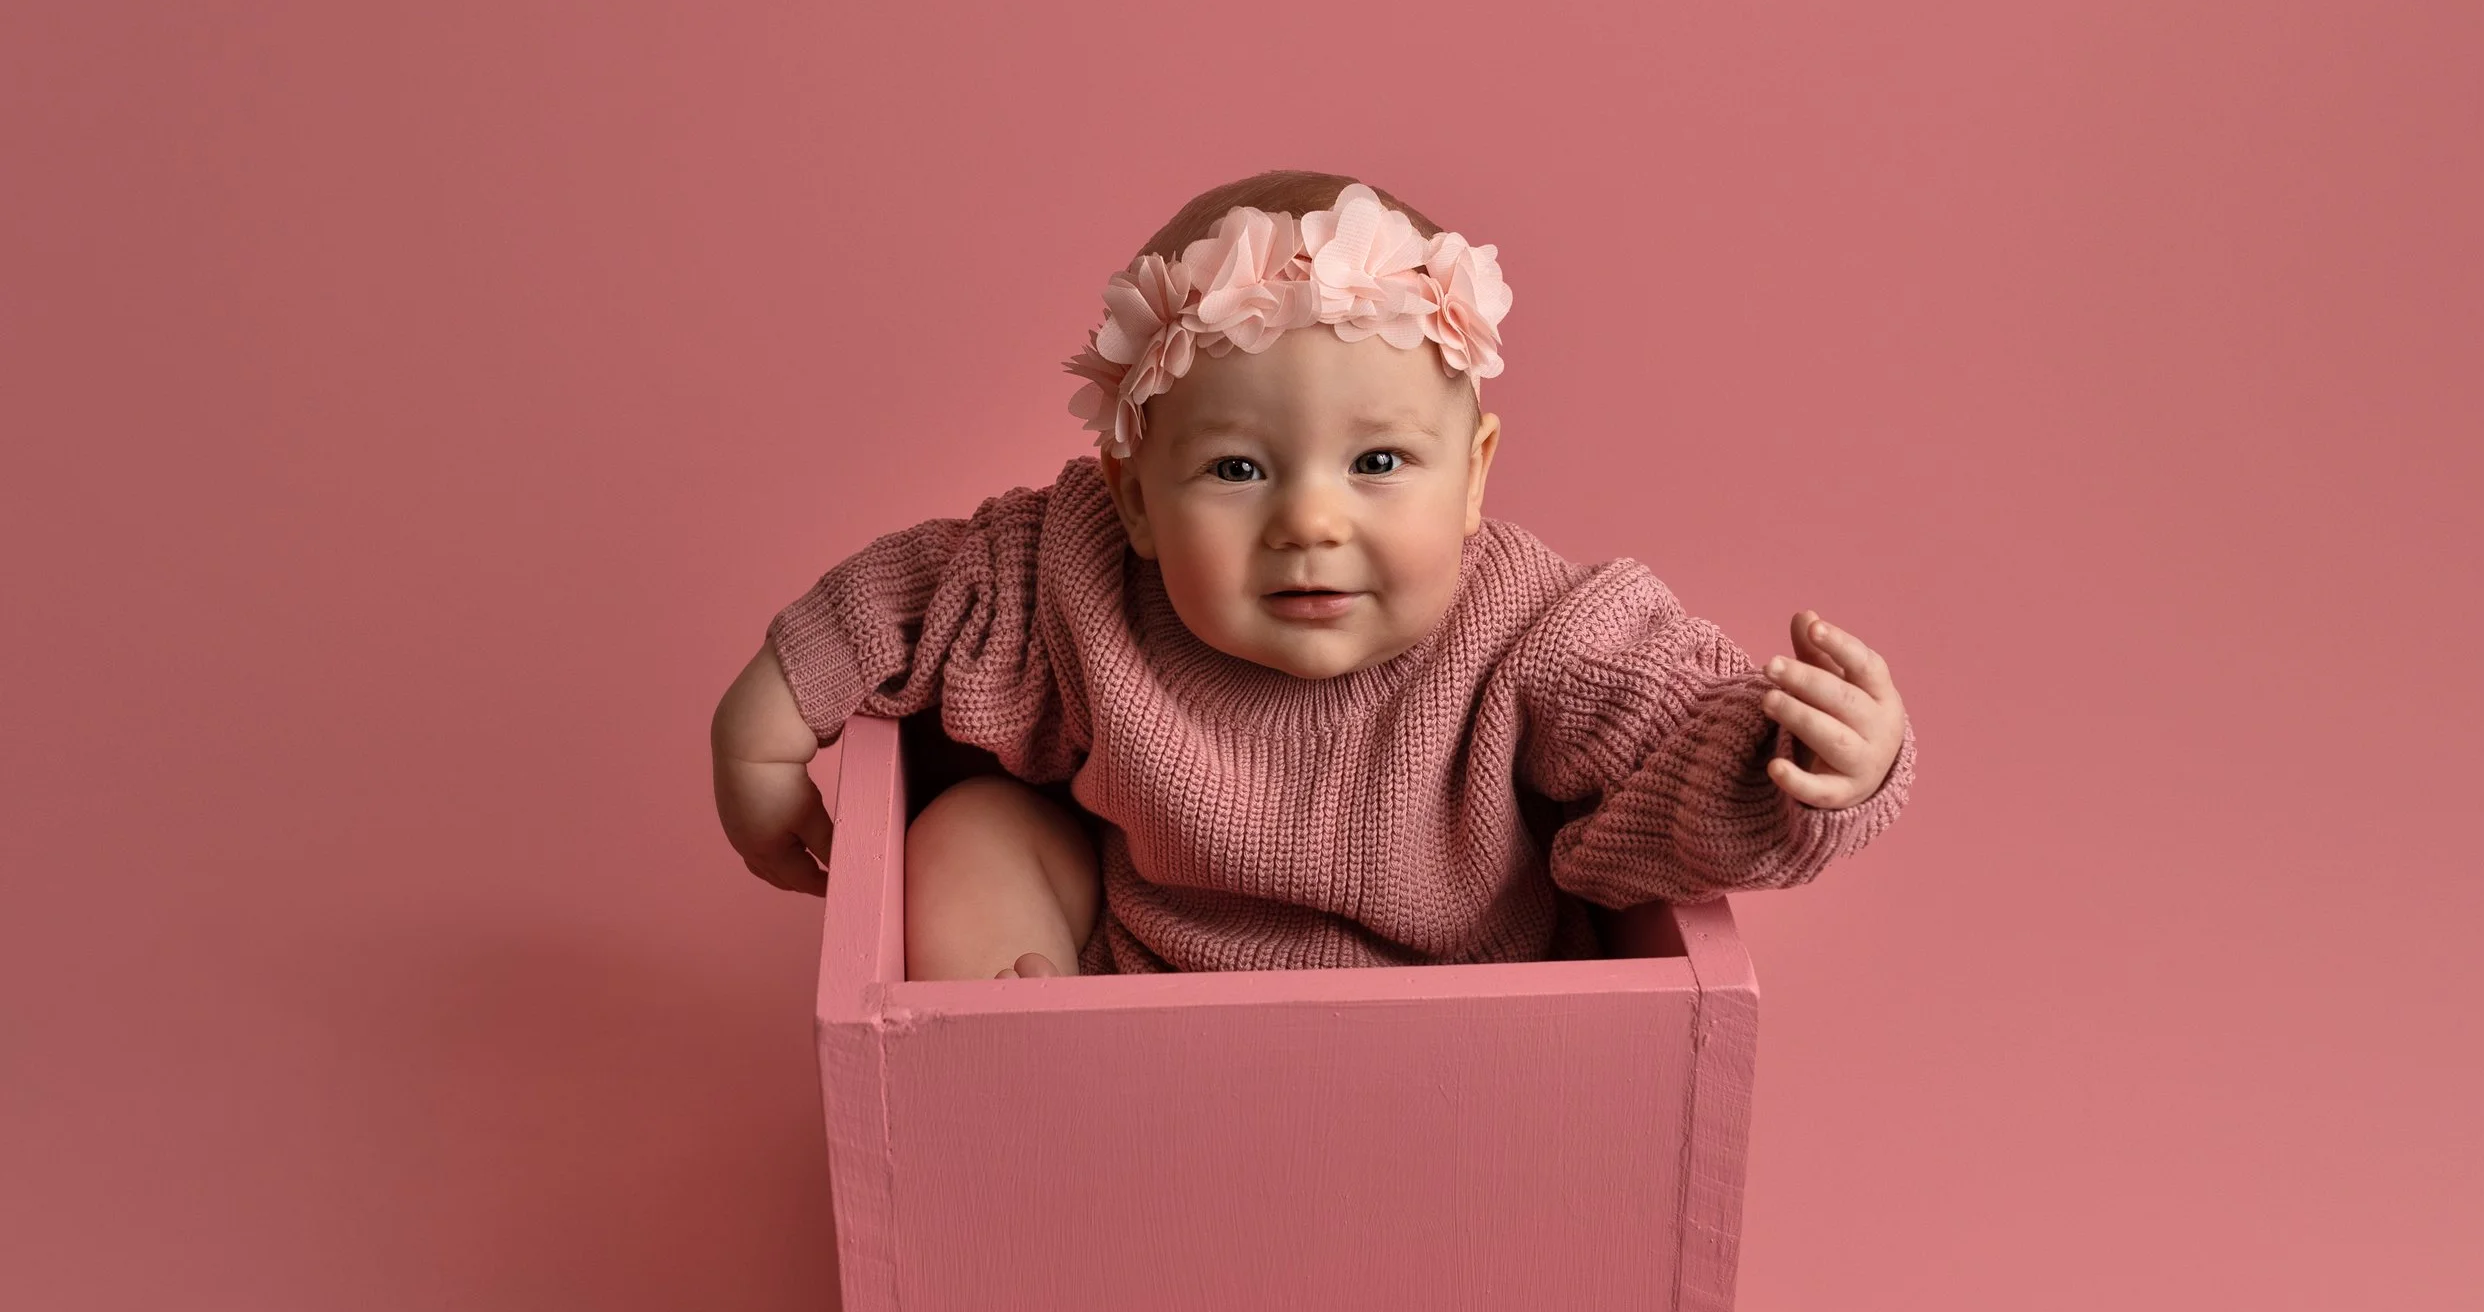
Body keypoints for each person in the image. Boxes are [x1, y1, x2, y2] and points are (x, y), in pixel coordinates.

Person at [711, 172, 1914, 977]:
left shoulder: (1535, 630)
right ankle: (1012, 1080)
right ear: (1133, 496)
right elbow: (930, 591)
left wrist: (1804, 766)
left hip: (1461, 1045)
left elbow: (1668, 748)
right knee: (969, 828)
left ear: (1474, 477)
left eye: (1380, 460)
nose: (1309, 520)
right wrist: (766, 719)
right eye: (1235, 469)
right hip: (1138, 1006)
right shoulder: (1080, 580)